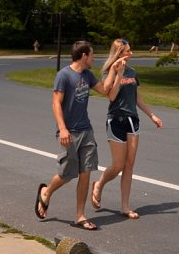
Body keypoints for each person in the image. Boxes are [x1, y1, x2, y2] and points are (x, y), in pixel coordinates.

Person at [34, 40, 123, 232]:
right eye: (92, 55)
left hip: (86, 130)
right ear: (84, 55)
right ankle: (46, 191)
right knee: (67, 174)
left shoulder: (87, 75)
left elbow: (104, 89)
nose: (93, 58)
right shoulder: (64, 75)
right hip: (70, 132)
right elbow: (56, 103)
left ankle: (80, 216)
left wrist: (114, 70)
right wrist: (63, 128)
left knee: (86, 173)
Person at [90, 38, 163, 220]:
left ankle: (125, 206)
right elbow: (112, 96)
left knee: (129, 164)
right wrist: (118, 73)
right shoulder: (108, 72)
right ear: (119, 53)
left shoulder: (133, 72)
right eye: (127, 51)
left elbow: (136, 97)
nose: (131, 53)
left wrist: (152, 115)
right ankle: (99, 184)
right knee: (118, 165)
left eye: (130, 50)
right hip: (116, 120)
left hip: (133, 120)